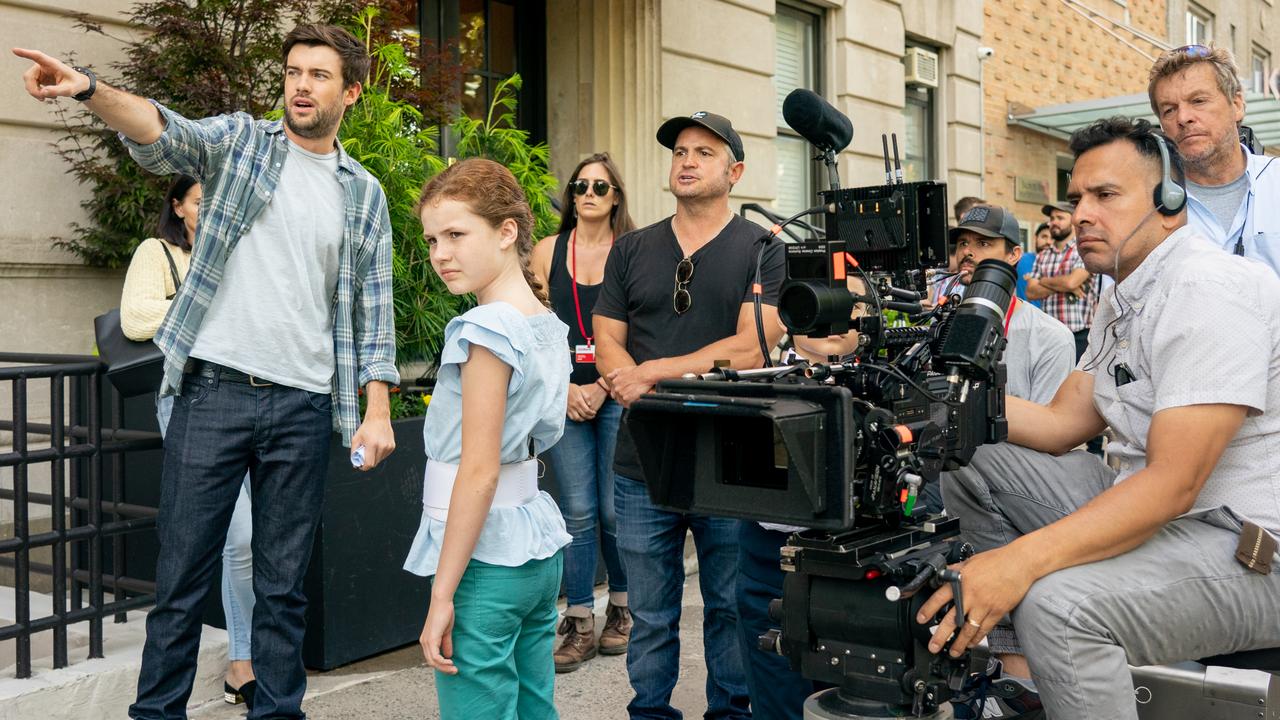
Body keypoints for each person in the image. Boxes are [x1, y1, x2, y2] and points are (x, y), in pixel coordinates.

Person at [16, 24, 399, 719]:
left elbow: (375, 312)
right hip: (213, 392)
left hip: (305, 407)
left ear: (352, 90)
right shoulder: (243, 145)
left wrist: (376, 409)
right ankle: (156, 714)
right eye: (292, 71)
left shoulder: (362, 194)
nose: (301, 85)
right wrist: (90, 90)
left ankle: (277, 711)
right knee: (183, 579)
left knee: (283, 586)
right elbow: (167, 132)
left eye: (318, 74)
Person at [919, 117, 1280, 720]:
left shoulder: (1209, 287)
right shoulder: (1121, 293)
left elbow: (1173, 483)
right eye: (1076, 197)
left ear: (1169, 200)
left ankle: (1050, 643)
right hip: (1163, 515)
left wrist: (1016, 563)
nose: (1082, 213)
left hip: (1246, 545)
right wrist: (932, 397)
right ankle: (1027, 681)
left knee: (1059, 607)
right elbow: (1063, 423)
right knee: (972, 454)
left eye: (1105, 195)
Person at [593, 111, 786, 720]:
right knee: (649, 610)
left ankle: (728, 712)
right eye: (680, 150)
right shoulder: (632, 247)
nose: (687, 160)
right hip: (642, 457)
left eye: (704, 151)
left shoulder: (762, 248)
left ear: (736, 171)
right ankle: (649, 711)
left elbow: (751, 346)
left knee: (731, 607)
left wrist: (652, 372)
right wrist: (630, 381)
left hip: (730, 457)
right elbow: (605, 335)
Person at [407, 158, 571, 719]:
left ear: (506, 233)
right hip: (531, 542)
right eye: (432, 238)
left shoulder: (486, 328)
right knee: (532, 707)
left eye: (456, 234)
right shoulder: (542, 320)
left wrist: (441, 594)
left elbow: (478, 470)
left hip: (484, 555)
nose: (440, 253)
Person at [120, 176, 257, 708]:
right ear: (178, 207)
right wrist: (214, 315)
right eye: (201, 201)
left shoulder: (237, 253)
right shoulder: (157, 253)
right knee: (232, 535)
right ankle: (225, 666)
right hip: (187, 401)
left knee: (245, 539)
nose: (211, 210)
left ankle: (241, 663)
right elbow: (135, 321)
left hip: (247, 398)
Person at [532, 152, 636, 673]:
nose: (589, 194)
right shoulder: (548, 251)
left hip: (617, 392)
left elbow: (643, 332)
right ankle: (578, 619)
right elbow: (532, 330)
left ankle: (621, 607)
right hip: (562, 396)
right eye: (580, 186)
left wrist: (599, 385)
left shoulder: (633, 251)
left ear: (616, 195)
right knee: (576, 509)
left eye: (600, 186)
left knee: (615, 507)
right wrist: (565, 388)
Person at [1148, 44, 1280, 275]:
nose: (1183, 118)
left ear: (1237, 105)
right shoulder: (1147, 207)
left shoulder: (1275, 182)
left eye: (1198, 100)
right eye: (1169, 110)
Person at [1025, 201, 1095, 361]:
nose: (1053, 222)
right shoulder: (1043, 255)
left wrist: (1041, 280)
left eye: (1060, 218)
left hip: (1079, 335)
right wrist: (1064, 284)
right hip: (1049, 335)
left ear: (1073, 220)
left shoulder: (1084, 250)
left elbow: (1071, 282)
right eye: (1052, 218)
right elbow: (1031, 292)